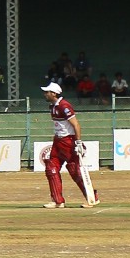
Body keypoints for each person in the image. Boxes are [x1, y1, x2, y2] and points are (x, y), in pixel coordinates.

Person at [41, 80, 97, 208]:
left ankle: (92, 198)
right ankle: (58, 201)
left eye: (47, 92)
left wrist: (78, 142)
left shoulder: (64, 106)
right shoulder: (54, 106)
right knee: (51, 169)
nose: (45, 94)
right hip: (58, 141)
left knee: (75, 171)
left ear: (54, 93)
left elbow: (76, 124)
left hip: (68, 142)